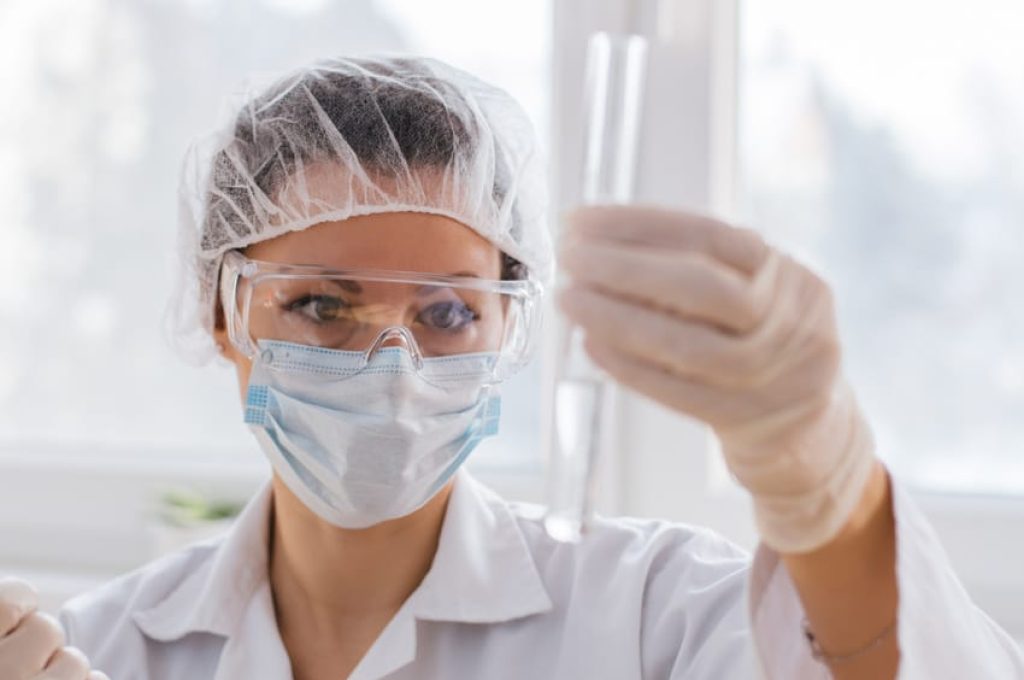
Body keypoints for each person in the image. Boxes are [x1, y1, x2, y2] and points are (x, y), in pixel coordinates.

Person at [1, 56, 1021, 680]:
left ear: (509, 329)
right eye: (320, 304)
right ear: (223, 312)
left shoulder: (646, 614)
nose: (390, 366)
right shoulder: (100, 646)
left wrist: (825, 487)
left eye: (446, 312)